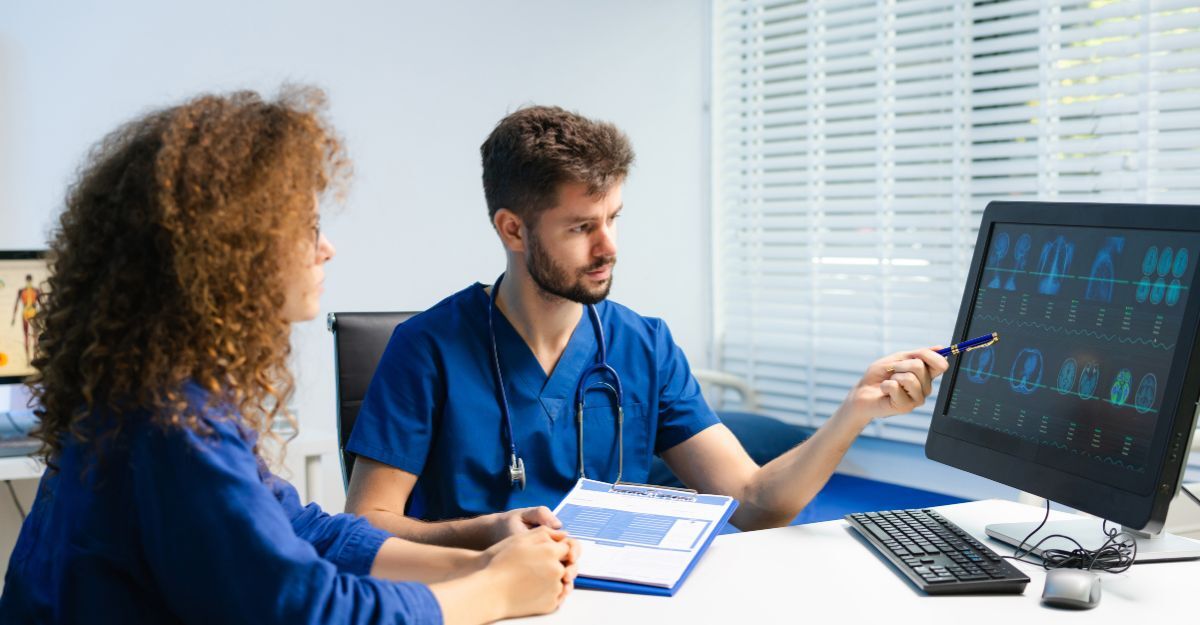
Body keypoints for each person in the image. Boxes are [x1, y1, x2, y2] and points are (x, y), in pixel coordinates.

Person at [0, 89, 578, 625]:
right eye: (306, 228)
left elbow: (303, 530)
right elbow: (305, 611)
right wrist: (496, 589)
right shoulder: (169, 424)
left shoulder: (168, 395)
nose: (326, 248)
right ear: (230, 254)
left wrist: (484, 551)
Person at [343, 105, 949, 547]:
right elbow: (366, 525)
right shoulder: (426, 349)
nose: (608, 247)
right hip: (480, 601)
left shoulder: (643, 345)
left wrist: (855, 413)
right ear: (512, 229)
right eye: (582, 227)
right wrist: (491, 531)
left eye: (615, 218)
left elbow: (755, 504)